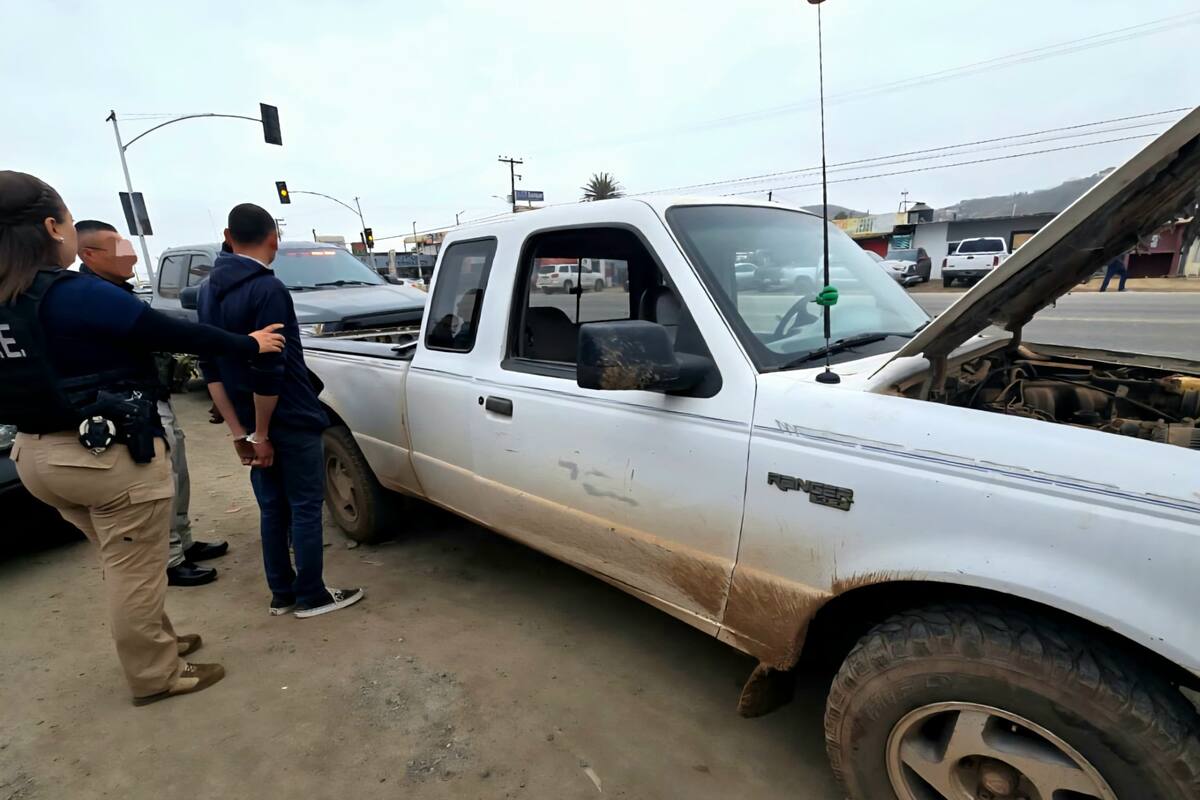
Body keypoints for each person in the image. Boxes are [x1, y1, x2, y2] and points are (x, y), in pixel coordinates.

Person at [0, 171, 286, 705]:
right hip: (100, 456)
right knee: (134, 568)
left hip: (36, 455)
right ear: (49, 227)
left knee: (126, 560)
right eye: (65, 221)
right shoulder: (67, 293)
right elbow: (167, 331)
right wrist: (248, 343)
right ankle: (156, 674)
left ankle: (163, 641)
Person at [199, 203, 364, 619]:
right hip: (283, 418)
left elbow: (212, 370)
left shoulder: (207, 290)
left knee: (273, 508)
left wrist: (241, 434)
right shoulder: (267, 289)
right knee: (306, 505)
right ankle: (311, 595)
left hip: (248, 419)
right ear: (274, 238)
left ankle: (282, 594)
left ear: (227, 235)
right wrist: (263, 433)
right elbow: (268, 371)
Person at [76, 219, 227, 587]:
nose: (128, 252)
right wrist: (242, 342)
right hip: (128, 405)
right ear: (89, 254)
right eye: (117, 245)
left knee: (178, 470)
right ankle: (170, 558)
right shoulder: (91, 296)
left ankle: (183, 542)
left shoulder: (115, 291)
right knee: (162, 479)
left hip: (151, 393)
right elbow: (169, 330)